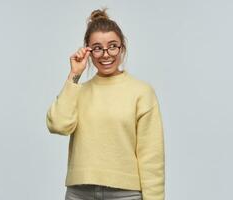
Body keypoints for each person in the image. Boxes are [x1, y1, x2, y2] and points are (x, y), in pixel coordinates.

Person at [45, 7, 165, 200]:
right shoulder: (78, 90)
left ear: (122, 47)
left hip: (125, 194)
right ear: (88, 51)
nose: (106, 54)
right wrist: (74, 75)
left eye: (112, 46)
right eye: (98, 48)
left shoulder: (141, 92)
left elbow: (152, 157)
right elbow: (57, 125)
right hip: (79, 193)